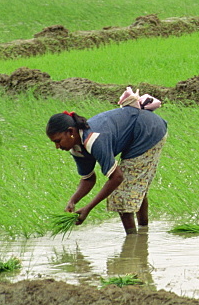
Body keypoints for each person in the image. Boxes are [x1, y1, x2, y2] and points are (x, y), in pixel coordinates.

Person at [45, 88, 167, 235]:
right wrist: (73, 201)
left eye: (58, 141)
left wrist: (88, 208)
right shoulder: (76, 148)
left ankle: (133, 242)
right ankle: (143, 234)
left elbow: (117, 177)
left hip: (148, 130)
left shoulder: (95, 139)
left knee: (122, 194)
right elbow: (88, 179)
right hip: (138, 132)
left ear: (71, 132)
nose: (57, 147)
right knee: (134, 187)